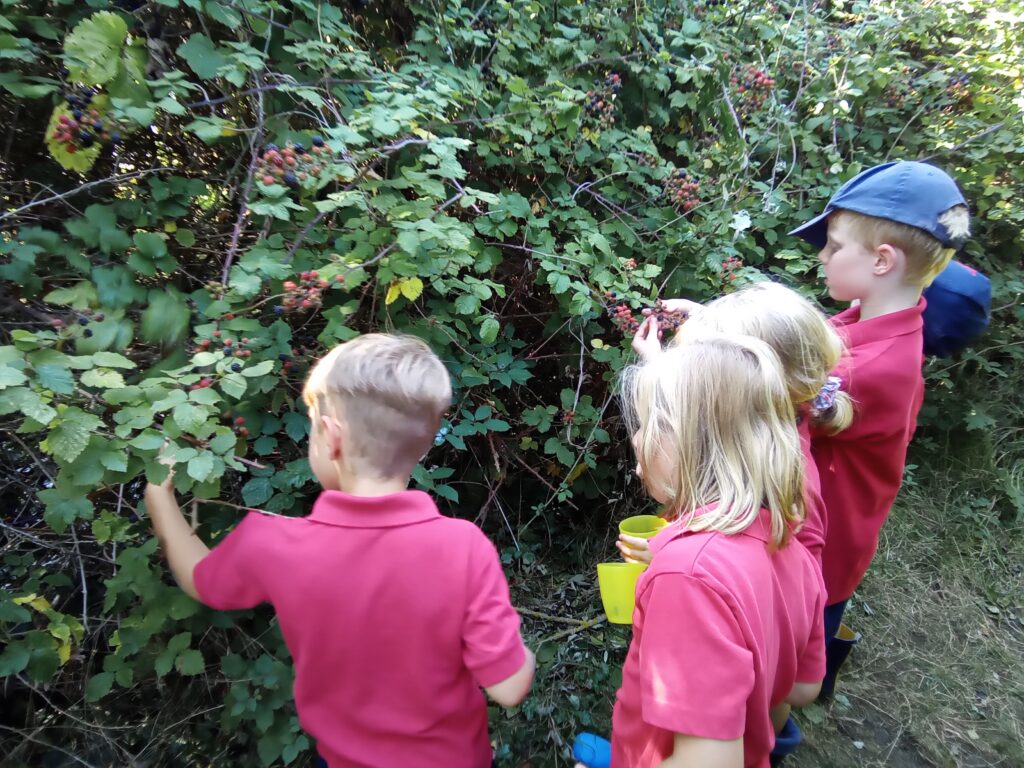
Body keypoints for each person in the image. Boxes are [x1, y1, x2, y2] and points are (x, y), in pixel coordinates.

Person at [144, 333, 535, 768]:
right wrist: (520, 654)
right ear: (424, 444)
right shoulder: (463, 548)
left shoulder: (271, 544)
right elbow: (509, 687)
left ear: (330, 436)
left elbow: (201, 578)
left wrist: (159, 498)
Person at [787, 160, 971, 696]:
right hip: (828, 541)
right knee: (803, 652)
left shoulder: (870, 369)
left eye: (835, 245)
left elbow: (764, 395)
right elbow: (798, 343)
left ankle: (768, 741)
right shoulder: (865, 322)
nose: (822, 255)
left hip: (818, 553)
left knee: (785, 668)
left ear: (883, 260)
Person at [604, 335, 826, 768]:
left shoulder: (685, 577)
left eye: (648, 423)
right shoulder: (793, 552)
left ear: (685, 442)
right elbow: (801, 689)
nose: (635, 440)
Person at [623, 281, 853, 567]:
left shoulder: (791, 479)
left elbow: (787, 568)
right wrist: (701, 318)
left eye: (696, 368)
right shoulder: (770, 431)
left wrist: (672, 553)